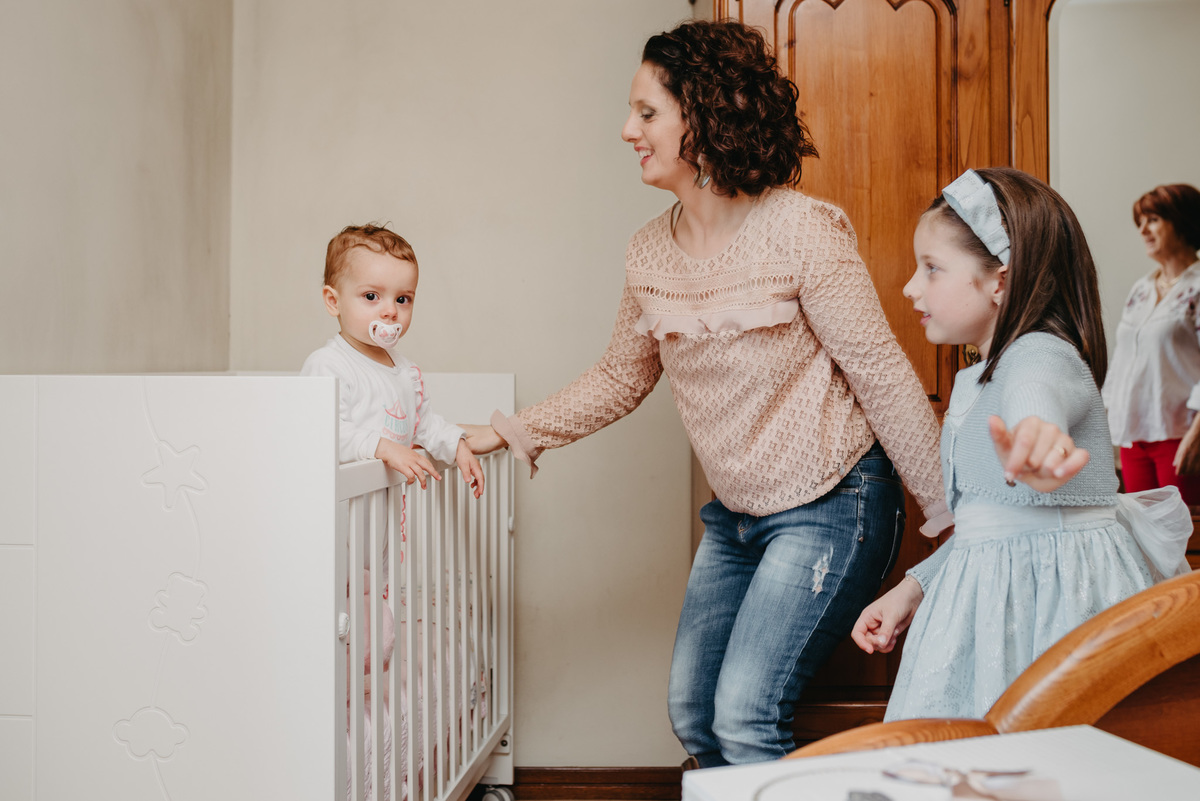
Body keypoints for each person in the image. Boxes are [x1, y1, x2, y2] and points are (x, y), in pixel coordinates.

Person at [462, 20, 949, 765]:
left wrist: (952, 518)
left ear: (705, 114)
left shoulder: (802, 230)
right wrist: (517, 428)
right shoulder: (648, 250)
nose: (628, 129)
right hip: (738, 518)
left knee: (745, 714)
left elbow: (881, 373)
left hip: (834, 502)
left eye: (647, 112)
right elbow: (623, 375)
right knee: (694, 714)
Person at [851, 167, 1192, 721]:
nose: (912, 286)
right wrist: (916, 587)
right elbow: (988, 532)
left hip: (1051, 611)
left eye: (932, 268)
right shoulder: (977, 375)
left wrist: (1039, 435)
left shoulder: (1040, 352)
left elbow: (1038, 394)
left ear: (1000, 280)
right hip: (989, 606)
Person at [301, 223, 486, 799]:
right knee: (332, 626)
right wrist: (380, 448)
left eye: (403, 298)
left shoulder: (403, 372)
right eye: (372, 296)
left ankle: (348, 698)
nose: (391, 311)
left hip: (377, 543)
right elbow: (318, 433)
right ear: (334, 301)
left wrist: (454, 443)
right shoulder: (327, 367)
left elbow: (421, 423)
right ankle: (316, 708)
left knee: (375, 634)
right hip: (332, 538)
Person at [1103, 184, 1200, 503]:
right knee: (1142, 537)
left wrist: (1196, 436)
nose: (1143, 229)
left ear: (1182, 222)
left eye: (1153, 219)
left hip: (1181, 435)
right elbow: (1121, 361)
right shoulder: (1141, 289)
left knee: (1183, 543)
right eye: (1140, 222)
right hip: (1134, 436)